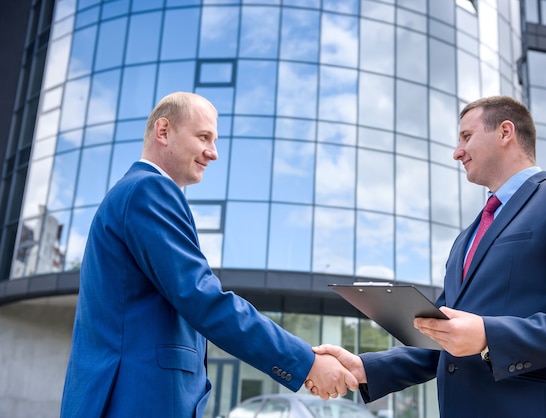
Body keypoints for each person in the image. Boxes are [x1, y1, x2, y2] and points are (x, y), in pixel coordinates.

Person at [313, 96, 546, 417]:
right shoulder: (467, 237)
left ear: (505, 132)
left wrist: (490, 336)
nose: (457, 152)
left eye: (466, 136)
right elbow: (445, 340)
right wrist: (366, 367)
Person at [60, 92, 357, 417]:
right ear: (163, 131)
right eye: (203, 137)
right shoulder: (149, 190)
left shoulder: (134, 193)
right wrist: (307, 362)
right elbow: (201, 296)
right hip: (136, 399)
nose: (213, 153)